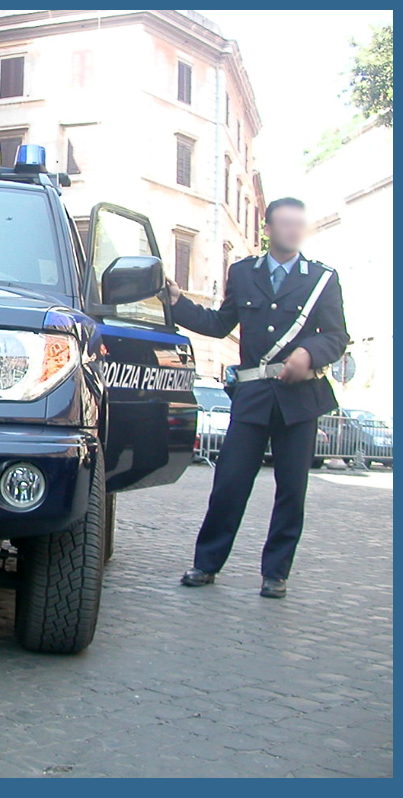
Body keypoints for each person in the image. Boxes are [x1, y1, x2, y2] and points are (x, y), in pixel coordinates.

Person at [166, 197, 348, 598]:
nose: (293, 230)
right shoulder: (244, 273)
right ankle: (206, 563)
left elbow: (337, 337)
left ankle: (275, 573)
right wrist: (178, 304)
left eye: (300, 224)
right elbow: (218, 324)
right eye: (285, 223)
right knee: (229, 483)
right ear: (268, 229)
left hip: (300, 400)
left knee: (291, 490)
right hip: (252, 397)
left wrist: (308, 354)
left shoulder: (321, 279)